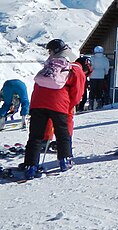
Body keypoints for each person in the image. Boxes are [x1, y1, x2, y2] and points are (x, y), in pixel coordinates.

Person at [22, 39, 86, 179]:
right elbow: (77, 92)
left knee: (35, 136)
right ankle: (65, 161)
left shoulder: (47, 67)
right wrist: (71, 105)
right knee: (62, 134)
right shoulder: (73, 68)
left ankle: (30, 167)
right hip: (59, 104)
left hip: (38, 103)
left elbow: (37, 86)